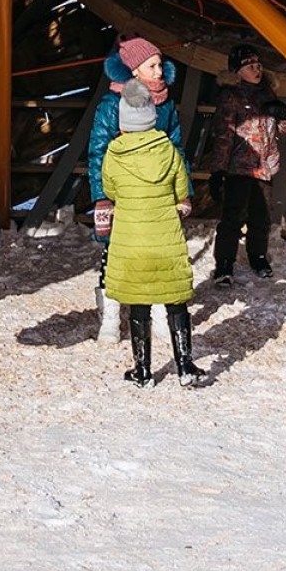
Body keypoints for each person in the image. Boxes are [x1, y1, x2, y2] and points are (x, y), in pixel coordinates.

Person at [101, 80, 198, 387]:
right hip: (165, 240)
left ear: (124, 123)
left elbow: (109, 190)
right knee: (176, 303)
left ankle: (142, 371)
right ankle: (185, 366)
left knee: (138, 304)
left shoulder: (114, 154)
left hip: (132, 243)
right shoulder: (169, 152)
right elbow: (181, 191)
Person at [89, 37, 183, 342]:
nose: (160, 71)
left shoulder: (166, 103)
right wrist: (102, 197)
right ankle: (111, 317)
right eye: (152, 66)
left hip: (154, 193)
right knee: (113, 255)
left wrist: (179, 192)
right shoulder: (112, 104)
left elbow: (175, 148)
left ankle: (158, 316)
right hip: (122, 191)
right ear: (133, 70)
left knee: (155, 255)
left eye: (160, 65)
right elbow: (98, 152)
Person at [205, 43, 286, 286]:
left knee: (261, 217)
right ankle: (224, 264)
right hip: (238, 168)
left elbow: (283, 129)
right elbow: (223, 136)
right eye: (250, 66)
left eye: (258, 65)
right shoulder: (231, 96)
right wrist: (218, 171)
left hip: (264, 167)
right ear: (237, 71)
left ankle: (257, 256)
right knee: (232, 218)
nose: (257, 69)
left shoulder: (268, 93)